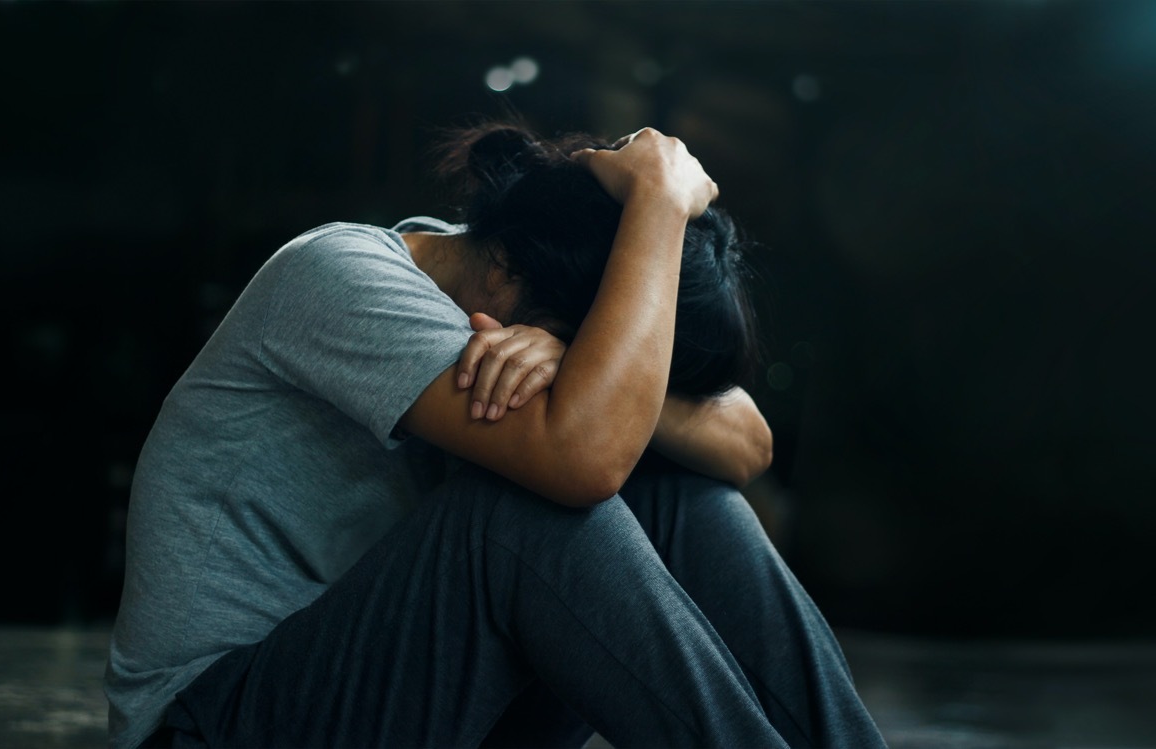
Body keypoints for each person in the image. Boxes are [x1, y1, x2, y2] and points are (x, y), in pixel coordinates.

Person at [105, 124, 886, 748]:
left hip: (418, 709)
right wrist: (656, 196)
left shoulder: (509, 272)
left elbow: (747, 440)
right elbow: (582, 458)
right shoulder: (336, 275)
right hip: (219, 721)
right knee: (522, 512)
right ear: (506, 270)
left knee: (678, 488)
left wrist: (585, 364)